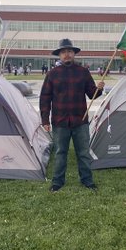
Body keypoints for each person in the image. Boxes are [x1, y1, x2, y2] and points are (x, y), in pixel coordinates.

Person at [40, 38, 104, 192]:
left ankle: (87, 181)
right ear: (59, 55)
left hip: (80, 121)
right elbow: (45, 98)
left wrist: (99, 89)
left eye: (69, 51)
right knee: (60, 153)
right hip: (59, 121)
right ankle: (57, 182)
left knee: (83, 153)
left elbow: (91, 94)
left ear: (74, 54)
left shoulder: (83, 72)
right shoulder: (52, 74)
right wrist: (44, 119)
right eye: (63, 52)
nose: (66, 54)